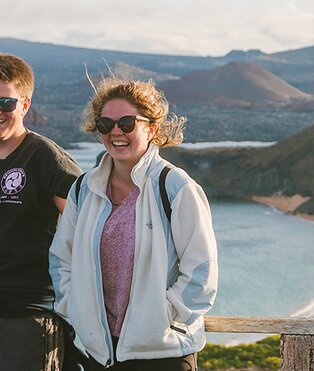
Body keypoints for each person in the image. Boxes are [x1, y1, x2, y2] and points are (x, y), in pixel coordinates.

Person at [49, 78, 218, 370]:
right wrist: (74, 310)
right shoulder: (84, 189)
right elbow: (61, 258)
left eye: (127, 123)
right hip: (99, 353)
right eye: (106, 124)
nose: (116, 131)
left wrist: (163, 318)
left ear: (151, 128)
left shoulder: (175, 187)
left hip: (162, 354)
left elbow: (202, 270)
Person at [0, 54, 81, 369]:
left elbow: (91, 227)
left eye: (6, 103)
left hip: (27, 314)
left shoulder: (46, 158)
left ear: (24, 104)